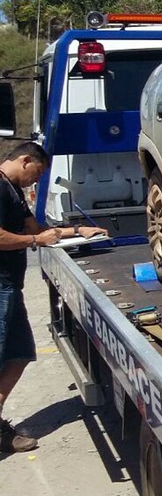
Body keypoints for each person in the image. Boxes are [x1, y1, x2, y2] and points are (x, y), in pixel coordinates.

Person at [0, 142, 107, 453]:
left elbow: (39, 229)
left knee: (20, 354)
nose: (37, 179)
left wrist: (76, 231)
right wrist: (34, 239)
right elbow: (26, 235)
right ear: (25, 160)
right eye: (38, 172)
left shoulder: (13, 191)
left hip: (11, 286)